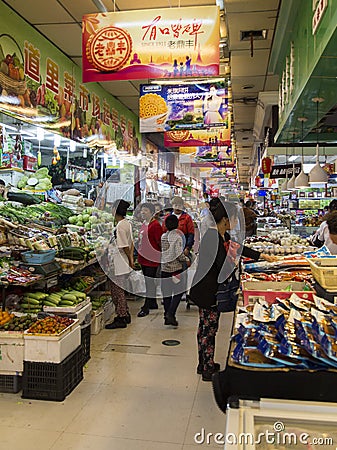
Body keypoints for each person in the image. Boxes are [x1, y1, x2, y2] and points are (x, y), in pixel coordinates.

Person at [190, 197, 277, 381]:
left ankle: (204, 363)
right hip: (207, 292)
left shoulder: (222, 235)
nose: (237, 223)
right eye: (234, 219)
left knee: (206, 328)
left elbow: (239, 248)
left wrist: (262, 256)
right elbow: (223, 266)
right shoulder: (212, 237)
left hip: (208, 290)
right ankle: (207, 368)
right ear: (225, 220)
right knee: (208, 330)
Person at [105, 199, 133, 329]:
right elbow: (131, 243)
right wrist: (131, 259)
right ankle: (125, 314)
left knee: (118, 292)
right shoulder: (126, 223)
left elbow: (124, 246)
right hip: (123, 262)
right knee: (119, 290)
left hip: (119, 263)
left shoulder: (121, 226)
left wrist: (130, 259)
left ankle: (121, 317)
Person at [161, 215, 190, 326]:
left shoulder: (163, 236)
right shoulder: (177, 237)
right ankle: (171, 313)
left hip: (164, 268)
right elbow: (178, 254)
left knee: (166, 293)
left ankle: (167, 314)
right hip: (175, 270)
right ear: (177, 225)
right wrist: (186, 259)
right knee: (179, 291)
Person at [137, 202, 163, 317]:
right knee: (149, 281)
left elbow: (159, 242)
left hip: (151, 259)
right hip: (143, 258)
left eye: (145, 210)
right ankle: (152, 302)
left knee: (149, 282)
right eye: (142, 210)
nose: (143, 212)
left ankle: (146, 307)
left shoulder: (155, 225)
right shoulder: (144, 223)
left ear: (152, 213)